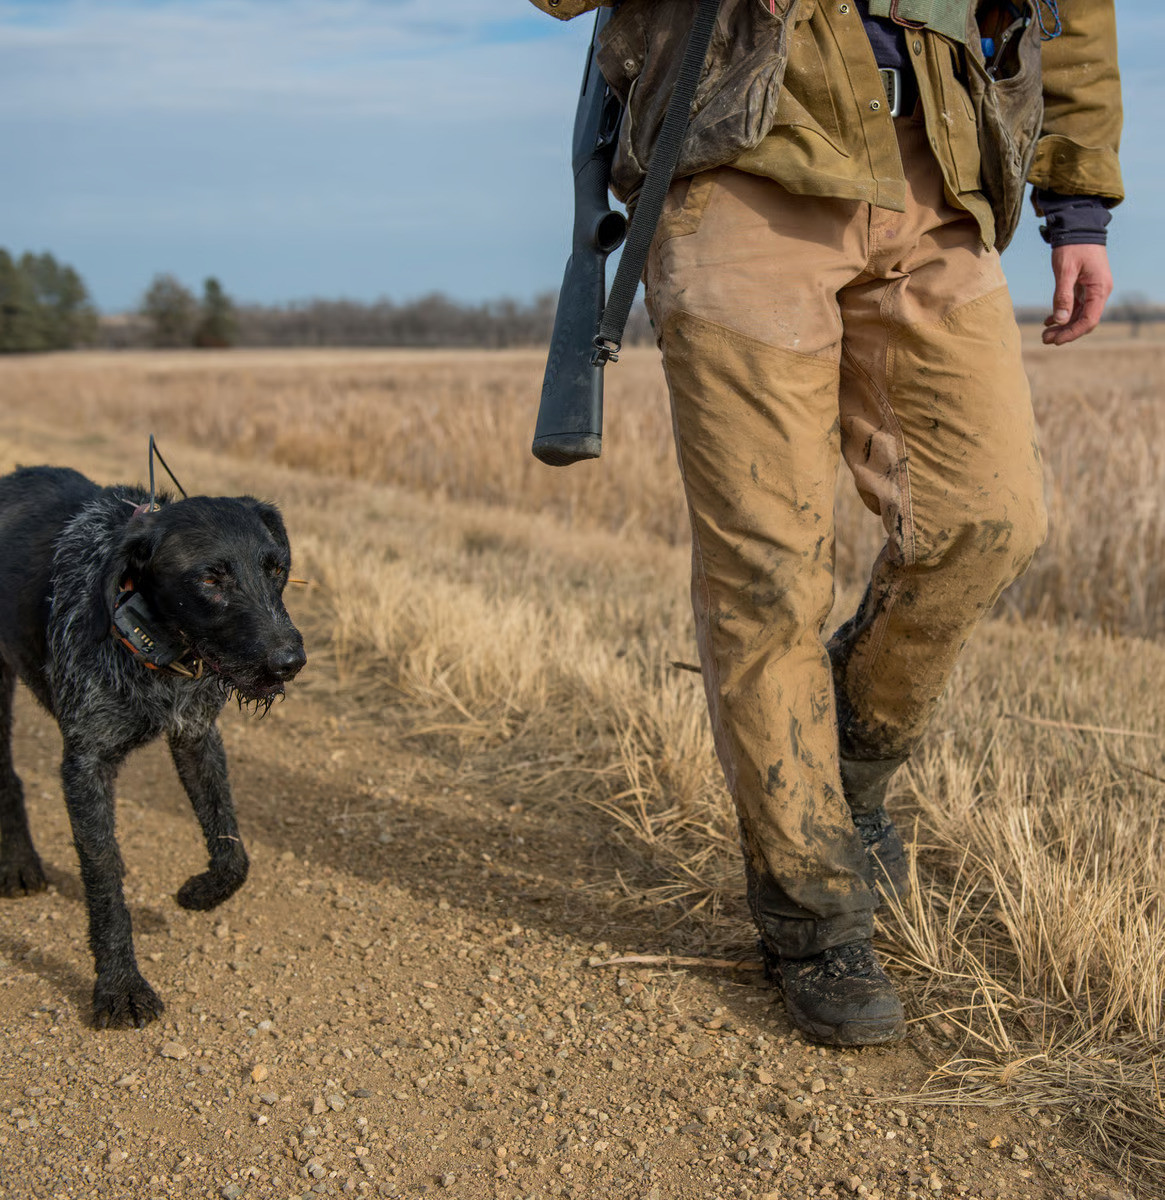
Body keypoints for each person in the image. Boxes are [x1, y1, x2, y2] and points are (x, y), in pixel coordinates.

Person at [529, 0, 1122, 1046]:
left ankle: (846, 765)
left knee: (986, 524)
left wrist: (1077, 203)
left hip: (939, 174)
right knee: (768, 575)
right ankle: (811, 910)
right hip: (741, 167)